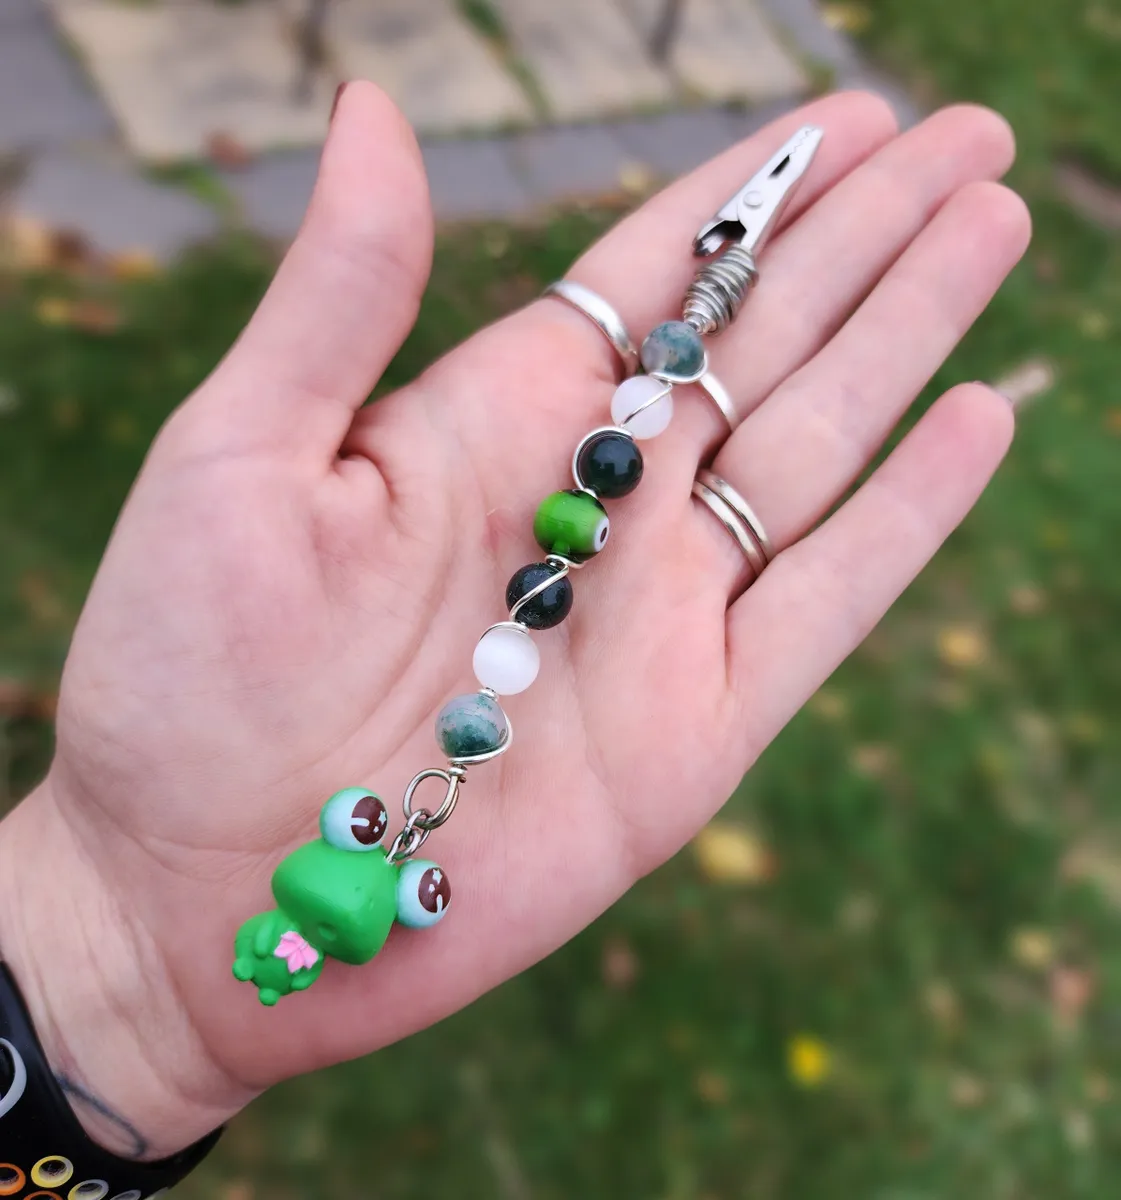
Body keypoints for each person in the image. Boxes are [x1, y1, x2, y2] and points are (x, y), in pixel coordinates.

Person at [0, 84, 1029, 1168]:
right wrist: (117, 961)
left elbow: (370, 833)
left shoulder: (370, 835)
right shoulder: (378, 844)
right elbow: (383, 850)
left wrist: (111, 986)